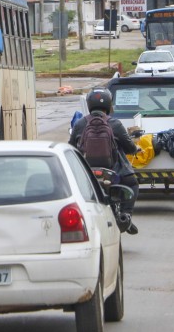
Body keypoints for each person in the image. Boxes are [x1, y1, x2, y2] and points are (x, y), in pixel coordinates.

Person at [69, 87, 141, 235]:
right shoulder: (115, 124)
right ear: (109, 104)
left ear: (89, 104)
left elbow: (71, 148)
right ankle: (126, 215)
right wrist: (135, 149)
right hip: (114, 171)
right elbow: (129, 147)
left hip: (87, 172)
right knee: (133, 184)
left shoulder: (80, 124)